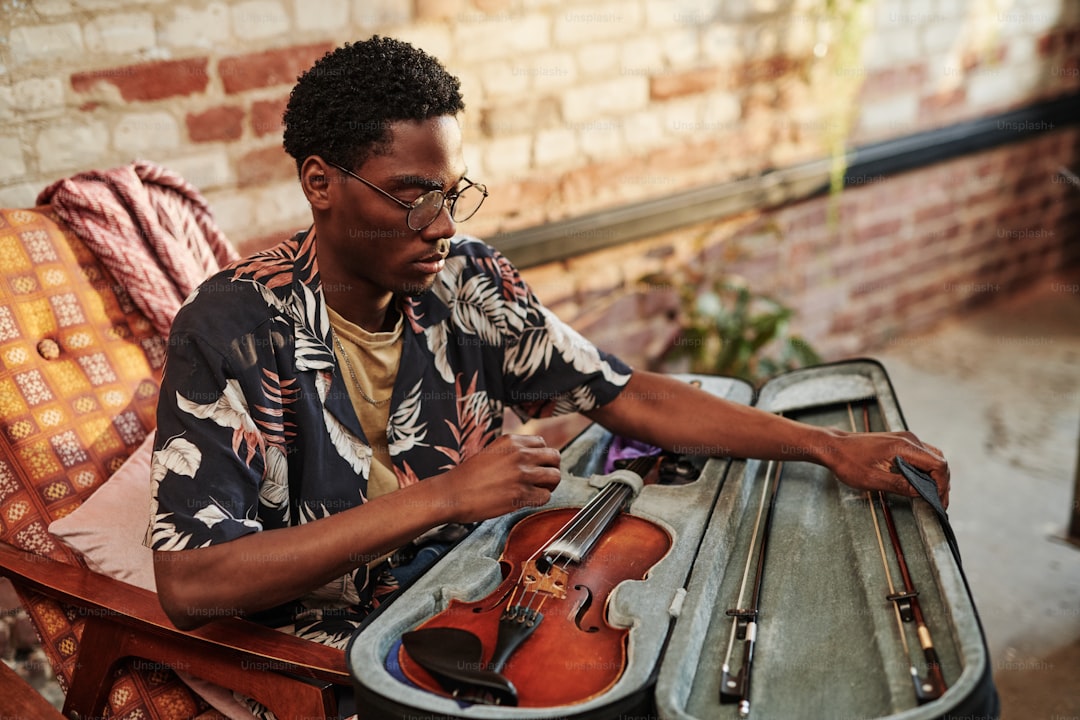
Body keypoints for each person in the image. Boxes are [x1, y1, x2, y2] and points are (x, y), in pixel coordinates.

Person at [147, 34, 949, 708]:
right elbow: (191, 583)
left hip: (482, 581)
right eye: (411, 196)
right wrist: (450, 495)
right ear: (319, 182)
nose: (442, 225)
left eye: (452, 191)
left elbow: (623, 393)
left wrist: (825, 448)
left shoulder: (466, 279)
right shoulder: (233, 329)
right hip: (346, 641)